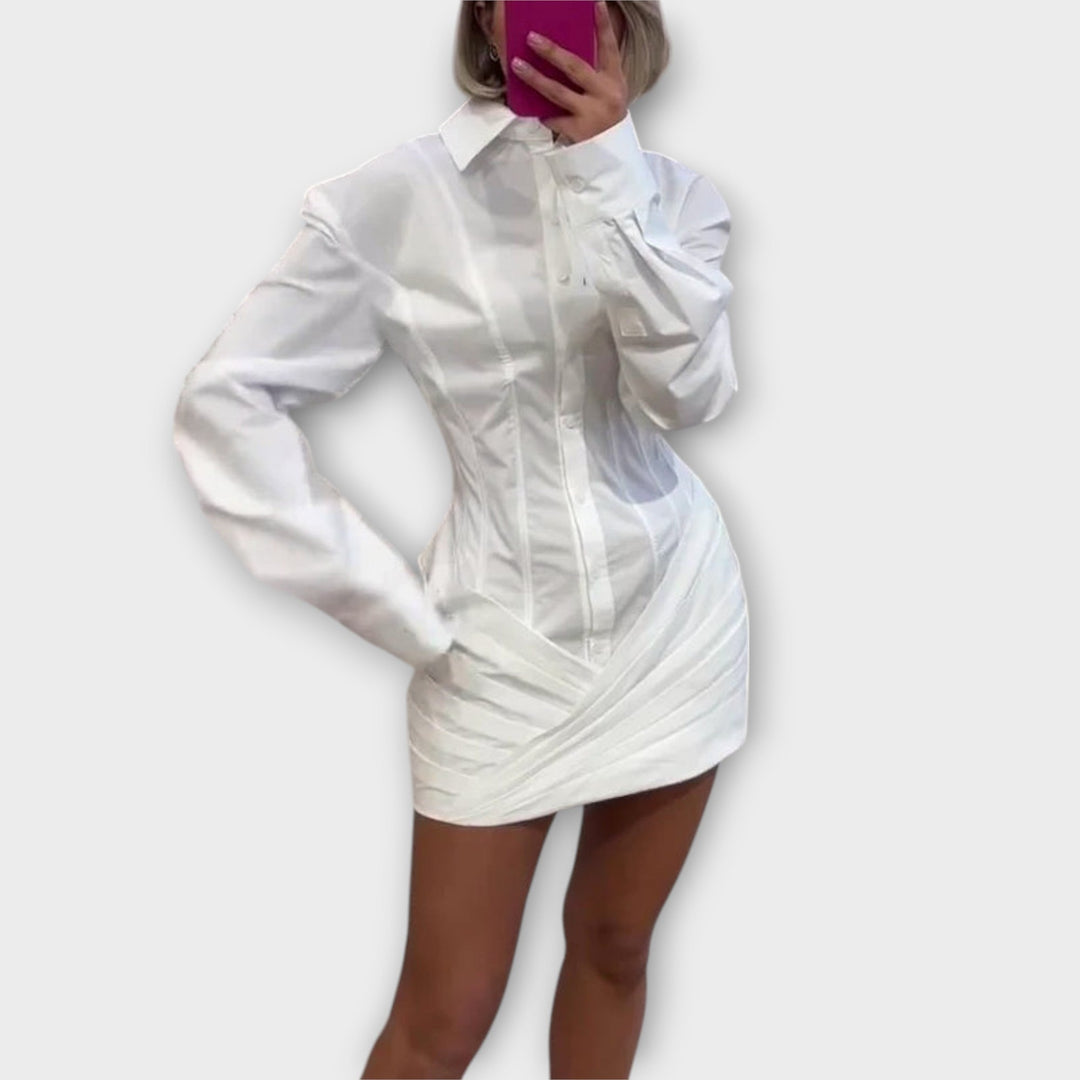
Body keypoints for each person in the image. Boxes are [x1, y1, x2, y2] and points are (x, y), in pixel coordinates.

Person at [171, 2, 750, 1075]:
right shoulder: (397, 198)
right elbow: (227, 400)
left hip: (676, 622)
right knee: (443, 1019)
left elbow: (689, 398)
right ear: (486, 16)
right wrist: (381, 598)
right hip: (498, 646)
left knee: (617, 944)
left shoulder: (677, 198)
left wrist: (607, 171)